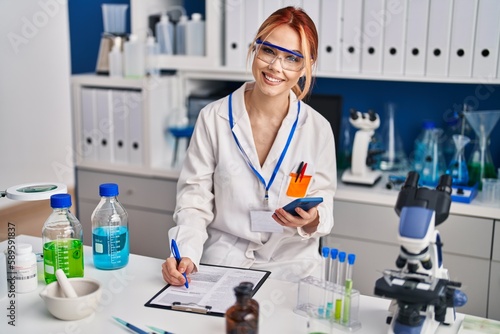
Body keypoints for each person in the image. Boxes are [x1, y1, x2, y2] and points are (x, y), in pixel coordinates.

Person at [162, 6, 337, 284]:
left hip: (292, 262)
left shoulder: (317, 129)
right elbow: (194, 201)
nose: (276, 67)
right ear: (255, 49)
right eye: (269, 51)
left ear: (307, 67)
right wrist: (186, 253)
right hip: (226, 256)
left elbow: (323, 201)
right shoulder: (213, 118)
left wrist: (311, 218)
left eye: (292, 58)